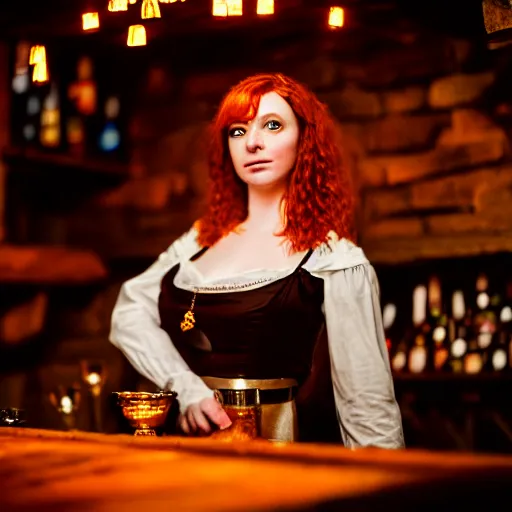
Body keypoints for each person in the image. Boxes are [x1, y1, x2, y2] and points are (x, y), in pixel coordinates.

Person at [110, 73, 404, 448]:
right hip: (182, 449)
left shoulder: (333, 258)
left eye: (273, 125)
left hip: (271, 453)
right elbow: (129, 311)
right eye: (237, 130)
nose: (252, 143)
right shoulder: (199, 239)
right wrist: (183, 385)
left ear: (304, 139)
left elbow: (366, 405)